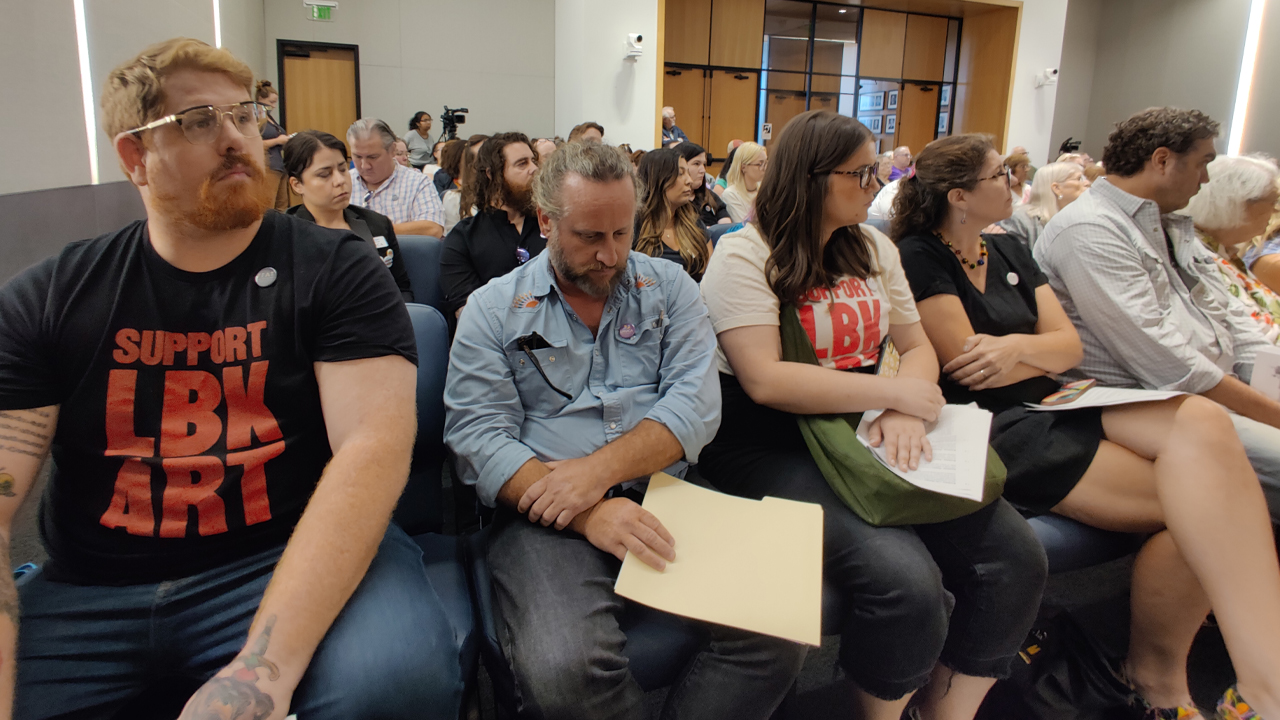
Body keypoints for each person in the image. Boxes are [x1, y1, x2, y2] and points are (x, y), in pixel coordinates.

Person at [0, 37, 462, 719]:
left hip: (285, 551)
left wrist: (260, 672)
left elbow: (372, 449)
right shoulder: (54, 295)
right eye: (196, 122)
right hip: (93, 587)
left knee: (392, 681)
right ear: (135, 157)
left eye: (243, 116)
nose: (235, 139)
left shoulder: (335, 266)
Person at [896, 133, 1280, 720]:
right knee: (1201, 512)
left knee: (1201, 420)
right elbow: (971, 369)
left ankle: (1256, 679)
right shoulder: (921, 255)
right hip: (999, 424)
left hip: (1057, 399)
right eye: (1001, 175)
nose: (1015, 183)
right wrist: (1035, 351)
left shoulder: (1008, 249)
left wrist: (1020, 347)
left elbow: (1065, 344)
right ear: (959, 197)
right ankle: (1169, 684)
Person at [698, 110, 1047, 720]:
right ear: (810, 177)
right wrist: (891, 398)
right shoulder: (745, 256)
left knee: (1015, 558)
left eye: (876, 169)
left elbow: (916, 350)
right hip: (775, 443)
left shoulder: (873, 247)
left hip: (866, 426)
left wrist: (906, 410)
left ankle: (946, 711)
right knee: (907, 585)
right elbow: (766, 380)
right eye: (861, 173)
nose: (878, 182)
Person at [443, 139, 807, 720]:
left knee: (775, 624)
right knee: (564, 668)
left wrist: (597, 474)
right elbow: (478, 436)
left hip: (662, 491)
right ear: (545, 220)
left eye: (621, 233)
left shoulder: (670, 289)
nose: (610, 255)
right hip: (543, 513)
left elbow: (695, 406)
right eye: (589, 236)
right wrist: (588, 509)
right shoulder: (494, 309)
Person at [1035, 107, 1280, 531]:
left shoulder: (1169, 224)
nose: (1206, 179)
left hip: (1210, 393)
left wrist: (1273, 384)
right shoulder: (1090, 229)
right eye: (1203, 163)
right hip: (1150, 403)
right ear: (1162, 160)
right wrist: (1271, 412)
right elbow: (1163, 359)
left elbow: (1233, 320)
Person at [283, 130, 414, 302]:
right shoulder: (285, 236)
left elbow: (402, 289)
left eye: (342, 169)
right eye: (324, 174)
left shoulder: (376, 224)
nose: (340, 180)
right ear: (297, 184)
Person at [440, 132, 545, 317]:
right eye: (522, 163)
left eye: (533, 160)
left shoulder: (553, 226)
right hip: (495, 339)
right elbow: (467, 313)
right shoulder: (464, 238)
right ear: (491, 174)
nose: (534, 168)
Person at [1182, 155, 1280, 342]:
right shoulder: (1195, 256)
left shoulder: (1222, 252)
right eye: (1272, 201)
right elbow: (1253, 337)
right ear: (1241, 203)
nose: (1276, 210)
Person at [348, 118, 445, 237]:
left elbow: (433, 228)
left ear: (393, 150)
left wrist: (375, 230)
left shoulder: (417, 182)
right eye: (357, 156)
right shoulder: (342, 183)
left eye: (372, 157)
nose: (364, 165)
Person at [634, 148, 712, 281]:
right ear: (658, 179)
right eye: (680, 173)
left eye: (688, 173)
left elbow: (710, 274)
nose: (689, 181)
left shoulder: (693, 223)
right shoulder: (634, 225)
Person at [997, 161, 1091, 250]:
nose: (1087, 183)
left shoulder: (1083, 217)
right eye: (1079, 178)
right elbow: (1015, 263)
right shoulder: (1021, 220)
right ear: (1057, 188)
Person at [255, 80, 292, 211]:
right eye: (271, 102)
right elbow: (255, 144)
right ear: (260, 99)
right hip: (268, 166)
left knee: (282, 206)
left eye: (275, 102)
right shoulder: (257, 119)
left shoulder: (270, 119)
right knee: (269, 206)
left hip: (279, 166)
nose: (274, 106)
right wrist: (277, 141)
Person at [677, 141, 732, 226]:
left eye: (704, 164)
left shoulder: (709, 196)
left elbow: (725, 221)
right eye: (696, 164)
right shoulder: (675, 201)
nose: (703, 170)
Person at [721, 141, 766, 224]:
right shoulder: (731, 194)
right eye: (759, 164)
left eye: (766, 163)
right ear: (743, 167)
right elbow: (744, 226)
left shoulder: (765, 190)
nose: (764, 168)